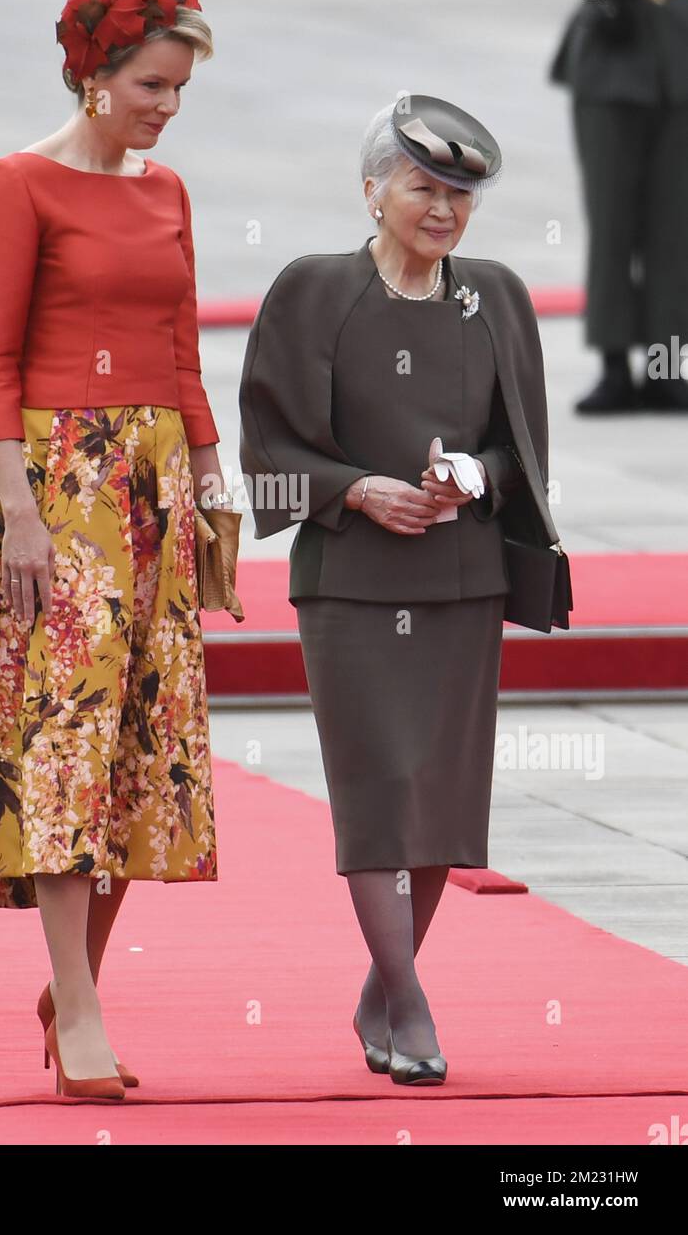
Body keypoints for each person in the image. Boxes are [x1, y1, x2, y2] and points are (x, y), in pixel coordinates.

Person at [0, 0, 232, 1100]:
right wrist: (21, 513)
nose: (165, 108)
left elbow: (180, 348)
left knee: (139, 746)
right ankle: (79, 1008)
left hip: (152, 493)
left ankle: (69, 981)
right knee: (66, 740)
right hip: (53, 490)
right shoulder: (16, 184)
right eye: (149, 84)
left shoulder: (168, 192)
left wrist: (209, 468)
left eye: (177, 90)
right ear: (91, 74)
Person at [238, 94, 562, 1085]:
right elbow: (266, 459)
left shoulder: (494, 297)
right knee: (379, 798)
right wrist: (355, 492)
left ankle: (382, 989)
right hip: (351, 588)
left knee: (440, 808)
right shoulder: (313, 290)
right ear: (372, 188)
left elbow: (524, 456)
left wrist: (474, 479)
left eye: (459, 194)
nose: (442, 208)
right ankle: (409, 998)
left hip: (460, 584)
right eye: (423, 186)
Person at [547, 0, 688, 411]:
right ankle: (613, 365)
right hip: (612, 62)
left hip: (679, 61)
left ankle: (666, 365)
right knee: (612, 223)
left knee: (673, 225)